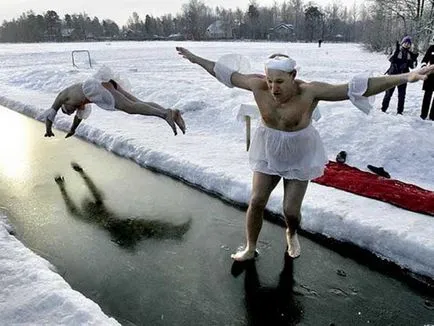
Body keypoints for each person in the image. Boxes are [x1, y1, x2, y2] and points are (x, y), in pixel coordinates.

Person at [176, 46, 434, 261]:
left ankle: (291, 232)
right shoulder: (258, 86)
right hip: (268, 149)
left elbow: (357, 88)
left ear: (293, 76)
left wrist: (405, 77)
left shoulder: (310, 92)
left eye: (279, 81)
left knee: (290, 210)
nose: (273, 87)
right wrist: (196, 58)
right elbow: (225, 73)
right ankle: (250, 247)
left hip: (299, 152)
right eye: (269, 80)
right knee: (256, 201)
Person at [43, 66, 186, 138]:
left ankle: (164, 114)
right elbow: (78, 119)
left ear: (64, 104)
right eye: (70, 112)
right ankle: (171, 112)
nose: (70, 111)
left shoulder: (63, 96)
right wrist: (72, 130)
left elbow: (50, 114)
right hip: (105, 84)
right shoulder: (78, 106)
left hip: (93, 87)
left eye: (66, 110)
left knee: (130, 107)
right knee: (137, 103)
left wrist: (48, 130)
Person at [380, 36, 418, 114]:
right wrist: (395, 52)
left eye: (408, 43)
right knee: (388, 93)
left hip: (404, 77)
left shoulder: (409, 54)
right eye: (405, 43)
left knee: (402, 95)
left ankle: (400, 111)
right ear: (402, 43)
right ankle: (383, 109)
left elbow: (412, 66)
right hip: (393, 75)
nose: (407, 45)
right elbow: (390, 59)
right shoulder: (397, 50)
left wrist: (414, 60)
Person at [420, 38, 434, 120]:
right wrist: (424, 67)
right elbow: (424, 59)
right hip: (430, 76)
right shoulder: (432, 48)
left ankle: (433, 116)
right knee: (427, 95)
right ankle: (423, 115)